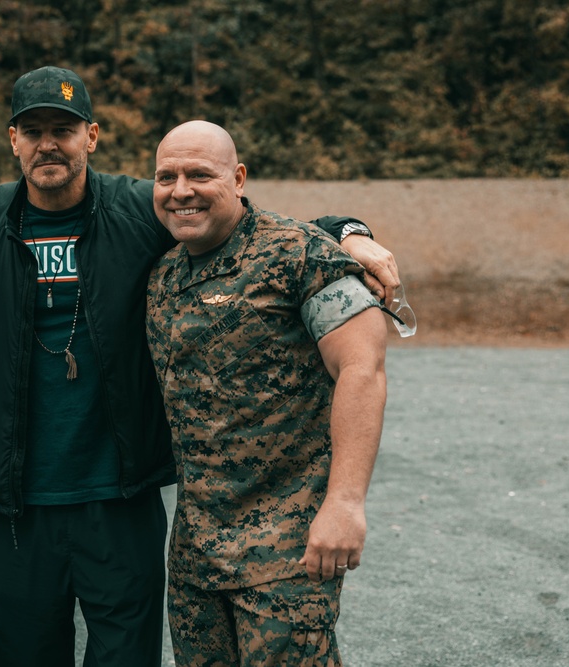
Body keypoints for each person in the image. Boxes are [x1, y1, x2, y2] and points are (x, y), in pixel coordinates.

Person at [0, 67, 400, 667]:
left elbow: (241, 224)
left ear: (92, 136)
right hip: (14, 509)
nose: (48, 143)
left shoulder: (144, 207)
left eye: (64, 128)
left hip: (120, 498)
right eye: (33, 131)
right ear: (14, 141)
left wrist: (346, 232)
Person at [145, 120, 388, 666]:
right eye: (167, 176)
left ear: (238, 178)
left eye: (199, 174)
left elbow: (362, 369)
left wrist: (345, 502)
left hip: (288, 555)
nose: (181, 190)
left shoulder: (301, 255)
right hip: (194, 558)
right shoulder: (162, 274)